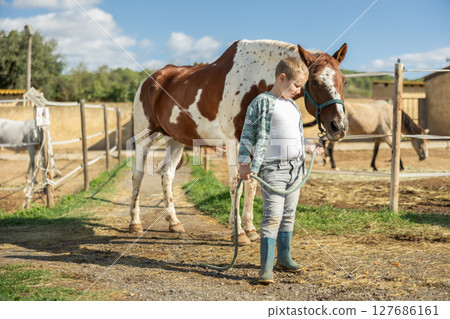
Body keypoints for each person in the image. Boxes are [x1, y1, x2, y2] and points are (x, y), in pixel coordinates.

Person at [237, 57, 324, 284]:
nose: (298, 91)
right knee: (272, 216)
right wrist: (244, 162)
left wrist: (308, 147)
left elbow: (295, 137)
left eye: (301, 87)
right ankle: (265, 268)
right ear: (281, 78)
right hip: (272, 170)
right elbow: (247, 134)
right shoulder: (261, 102)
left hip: (295, 169)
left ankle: (284, 258)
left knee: (289, 215)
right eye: (296, 85)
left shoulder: (293, 106)